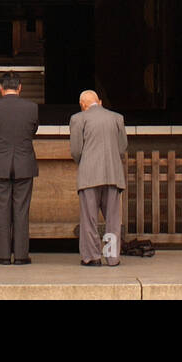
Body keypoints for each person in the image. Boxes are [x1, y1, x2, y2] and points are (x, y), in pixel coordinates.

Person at [0, 70, 39, 265]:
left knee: (1, 210)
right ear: (20, 87)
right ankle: (22, 256)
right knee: (22, 210)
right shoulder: (31, 108)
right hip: (24, 163)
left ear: (1, 88)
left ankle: (3, 255)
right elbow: (33, 130)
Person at [69, 89, 127, 267]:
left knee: (89, 219)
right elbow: (122, 147)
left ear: (82, 105)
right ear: (99, 102)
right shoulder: (117, 118)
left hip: (89, 175)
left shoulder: (78, 119)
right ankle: (112, 258)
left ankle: (92, 257)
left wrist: (85, 163)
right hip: (112, 174)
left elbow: (76, 150)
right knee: (112, 219)